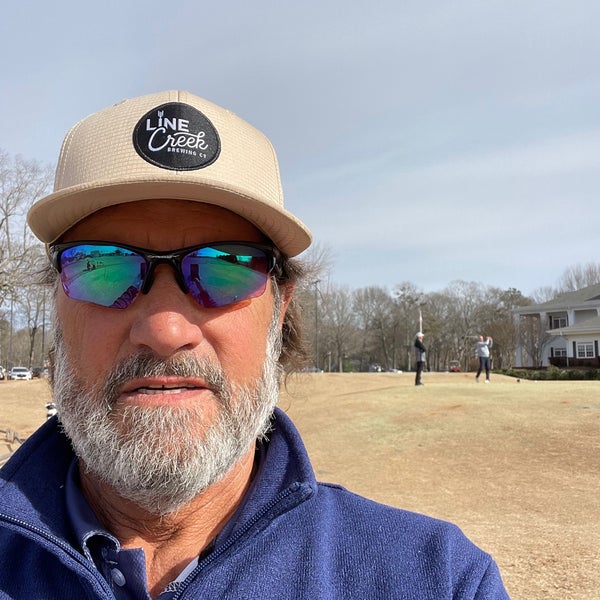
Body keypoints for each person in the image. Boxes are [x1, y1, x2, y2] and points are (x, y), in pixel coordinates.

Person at [0, 91, 509, 599]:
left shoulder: (441, 581)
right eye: (103, 269)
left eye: (225, 269)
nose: (166, 331)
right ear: (56, 308)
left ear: (279, 312)